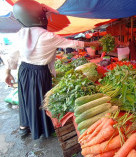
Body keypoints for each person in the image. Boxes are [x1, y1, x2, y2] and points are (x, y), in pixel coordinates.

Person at [4, 0, 99, 140]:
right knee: (41, 100)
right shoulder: (47, 36)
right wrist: (93, 43)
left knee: (26, 98)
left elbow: (12, 55)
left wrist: (7, 71)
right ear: (37, 16)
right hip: (39, 73)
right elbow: (73, 43)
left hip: (24, 71)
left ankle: (24, 127)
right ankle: (41, 128)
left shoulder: (20, 34)